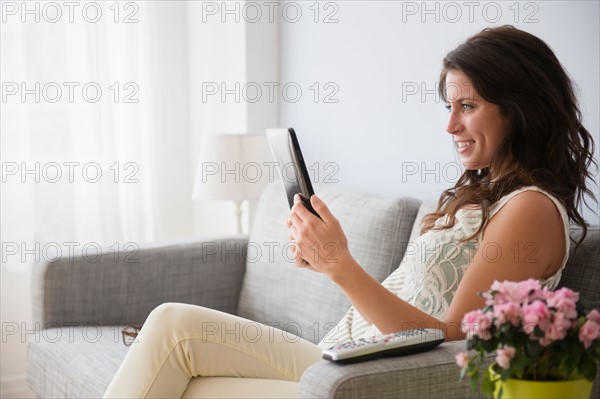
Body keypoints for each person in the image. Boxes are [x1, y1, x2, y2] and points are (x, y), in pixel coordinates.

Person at [103, 25, 597, 398]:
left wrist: (340, 265)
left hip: (367, 379)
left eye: (467, 106)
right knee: (182, 371)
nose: (450, 126)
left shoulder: (529, 208)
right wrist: (323, 259)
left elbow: (453, 342)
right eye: (449, 106)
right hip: (336, 361)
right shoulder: (482, 196)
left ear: (520, 108)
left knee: (173, 327)